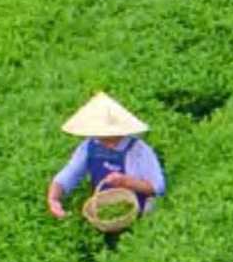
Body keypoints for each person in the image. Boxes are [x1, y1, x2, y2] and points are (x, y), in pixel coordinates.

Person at [47, 92, 164, 221]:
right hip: (102, 209)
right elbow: (69, 174)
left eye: (111, 137)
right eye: (102, 137)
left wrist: (126, 181)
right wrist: (53, 199)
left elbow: (157, 187)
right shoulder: (89, 146)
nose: (107, 142)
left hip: (136, 209)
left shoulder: (138, 150)